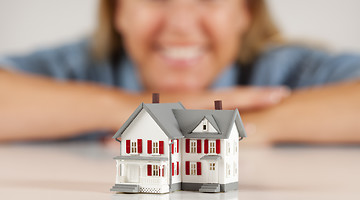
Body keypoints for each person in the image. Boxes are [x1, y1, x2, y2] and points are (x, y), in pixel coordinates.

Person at [0, 0, 359, 144]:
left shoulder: (289, 69)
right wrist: (139, 111)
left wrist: (239, 129)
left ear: (244, 13)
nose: (181, 26)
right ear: (117, 12)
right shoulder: (79, 67)